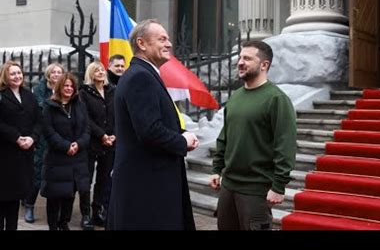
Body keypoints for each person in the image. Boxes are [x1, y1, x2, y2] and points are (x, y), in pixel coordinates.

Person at [108, 19, 199, 230]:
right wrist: (182, 141)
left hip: (147, 183)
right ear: (141, 43)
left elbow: (150, 122)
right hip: (147, 187)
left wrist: (182, 133)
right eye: (162, 39)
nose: (169, 44)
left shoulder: (142, 74)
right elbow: (149, 131)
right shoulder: (141, 77)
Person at [209, 40, 297, 231]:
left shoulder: (277, 99)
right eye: (240, 57)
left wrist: (278, 186)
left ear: (264, 65)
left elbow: (285, 145)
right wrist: (217, 168)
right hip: (228, 187)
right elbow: (225, 137)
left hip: (256, 191)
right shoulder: (236, 97)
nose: (240, 62)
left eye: (247, 58)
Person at [0, 61, 41, 230]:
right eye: (13, 73)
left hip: (23, 154)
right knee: (0, 198)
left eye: (19, 73)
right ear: (5, 76)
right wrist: (16, 137)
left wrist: (32, 138)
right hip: (2, 153)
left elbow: (39, 120)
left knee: (15, 197)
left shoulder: (29, 95)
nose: (17, 76)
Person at [40, 72, 90, 231]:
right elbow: (48, 131)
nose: (68, 88)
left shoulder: (80, 105)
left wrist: (78, 144)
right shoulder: (49, 106)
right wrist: (65, 146)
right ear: (59, 87)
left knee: (70, 194)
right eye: (65, 85)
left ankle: (64, 223)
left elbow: (87, 129)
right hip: (58, 158)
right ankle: (53, 226)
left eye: (71, 86)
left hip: (77, 158)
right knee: (55, 196)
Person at [23, 62, 65, 223]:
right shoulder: (40, 90)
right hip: (42, 138)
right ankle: (29, 204)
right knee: (38, 173)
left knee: (56, 174)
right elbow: (40, 109)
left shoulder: (66, 89)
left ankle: (56, 210)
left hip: (60, 137)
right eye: (53, 72)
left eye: (59, 72)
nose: (56, 74)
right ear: (48, 74)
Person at [79, 61, 116, 228]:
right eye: (97, 70)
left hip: (110, 143)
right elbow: (86, 118)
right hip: (92, 142)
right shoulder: (84, 93)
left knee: (103, 179)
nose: (101, 72)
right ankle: (85, 214)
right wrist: (101, 135)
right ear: (91, 74)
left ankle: (97, 211)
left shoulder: (112, 91)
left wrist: (113, 135)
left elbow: (117, 115)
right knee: (86, 179)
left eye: (102, 70)